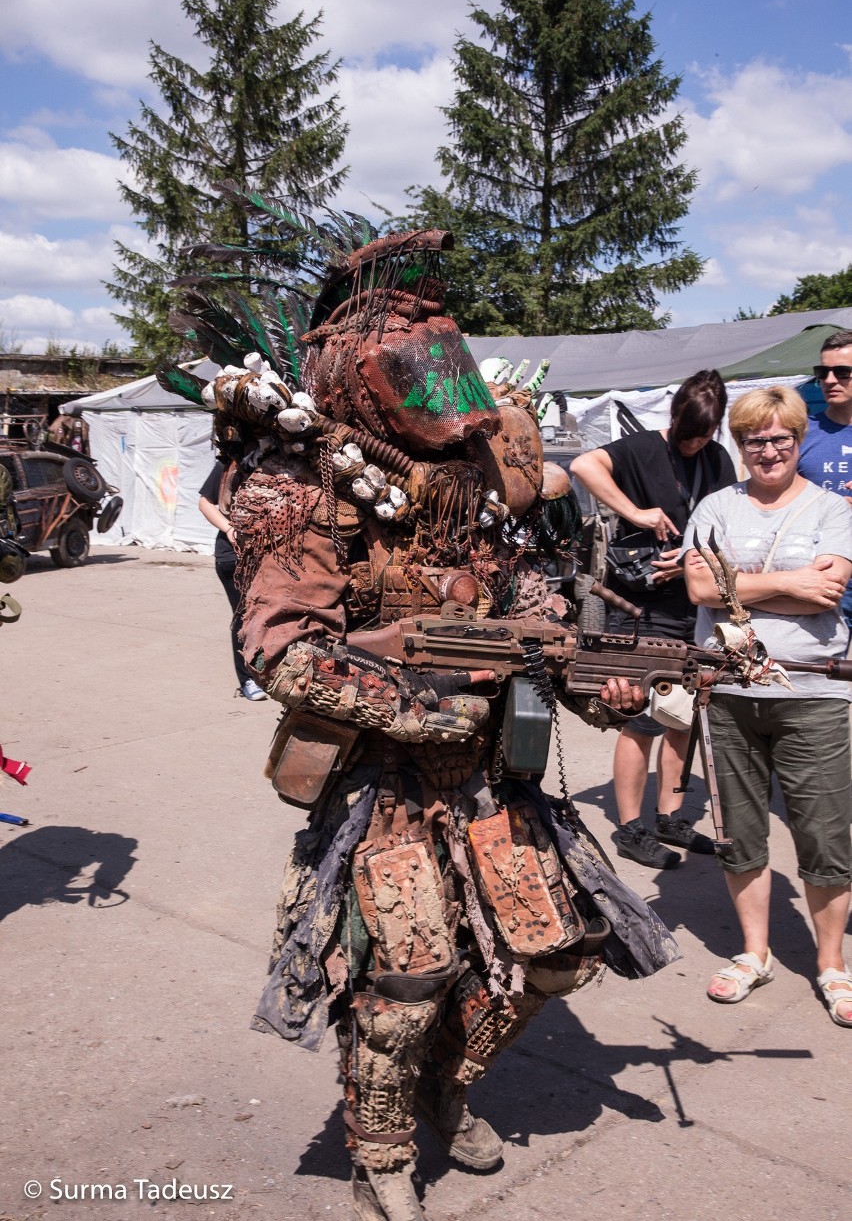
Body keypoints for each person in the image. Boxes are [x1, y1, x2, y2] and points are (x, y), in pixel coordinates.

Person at [166, 197, 679, 1221]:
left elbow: (527, 600)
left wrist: (601, 684)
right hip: (380, 777)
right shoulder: (301, 483)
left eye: (450, 352)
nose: (456, 387)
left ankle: (452, 1085)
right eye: (419, 355)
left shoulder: (479, 476)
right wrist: (412, 709)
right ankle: (382, 1147)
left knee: (561, 956)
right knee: (408, 975)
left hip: (494, 770)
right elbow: (279, 648)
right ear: (361, 367)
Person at [683, 385, 852, 1026]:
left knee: (824, 831)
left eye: (781, 438)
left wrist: (738, 588)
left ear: (799, 439)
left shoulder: (833, 510)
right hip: (725, 691)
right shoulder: (716, 505)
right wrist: (786, 581)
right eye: (756, 439)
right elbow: (700, 585)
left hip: (812, 690)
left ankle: (831, 963)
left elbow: (827, 592)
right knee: (740, 830)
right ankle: (755, 952)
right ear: (740, 443)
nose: (769, 450)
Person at [570, 371, 737, 870]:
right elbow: (582, 464)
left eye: (704, 435)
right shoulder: (642, 448)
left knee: (682, 716)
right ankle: (630, 827)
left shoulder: (716, 459)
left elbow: (723, 526)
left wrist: (689, 555)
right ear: (674, 417)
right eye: (688, 434)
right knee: (640, 717)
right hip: (641, 608)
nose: (694, 444)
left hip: (694, 607)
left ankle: (669, 816)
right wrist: (637, 513)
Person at [198, 460, 267, 702]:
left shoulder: (277, 462)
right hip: (232, 554)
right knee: (244, 613)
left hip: (268, 554)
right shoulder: (230, 463)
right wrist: (228, 529)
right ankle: (247, 678)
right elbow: (205, 503)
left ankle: (264, 672)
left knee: (266, 613)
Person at [797, 329, 852, 631]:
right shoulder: (801, 433)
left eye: (842, 372)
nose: (830, 380)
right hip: (820, 579)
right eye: (823, 372)